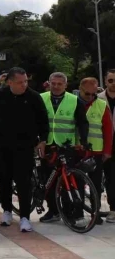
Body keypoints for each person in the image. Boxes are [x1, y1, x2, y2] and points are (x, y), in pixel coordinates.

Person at [0, 67, 49, 233]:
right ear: (9, 82)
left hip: (24, 147)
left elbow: (43, 120)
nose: (24, 85)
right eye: (19, 82)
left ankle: (25, 217)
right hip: (2, 146)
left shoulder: (34, 97)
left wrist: (43, 140)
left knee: (24, 183)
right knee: (3, 181)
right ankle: (7, 212)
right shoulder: (0, 95)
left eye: (25, 81)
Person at [38, 72, 88, 223]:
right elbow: (35, 121)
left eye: (60, 84)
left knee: (70, 180)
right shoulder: (41, 98)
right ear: (49, 83)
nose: (56, 86)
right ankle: (53, 210)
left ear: (66, 85)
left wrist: (84, 141)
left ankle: (71, 211)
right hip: (47, 145)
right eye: (53, 83)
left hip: (67, 146)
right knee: (49, 181)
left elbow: (82, 123)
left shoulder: (75, 100)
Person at [78, 78, 113, 224]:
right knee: (77, 183)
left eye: (94, 94)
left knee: (96, 184)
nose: (91, 97)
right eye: (87, 94)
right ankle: (77, 211)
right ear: (80, 89)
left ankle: (95, 212)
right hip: (77, 150)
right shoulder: (74, 102)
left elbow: (108, 130)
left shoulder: (101, 105)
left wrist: (107, 151)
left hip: (96, 151)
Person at [100, 69, 115, 222]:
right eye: (110, 80)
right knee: (110, 178)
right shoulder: (99, 99)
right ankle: (112, 209)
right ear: (105, 81)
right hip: (104, 143)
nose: (113, 84)